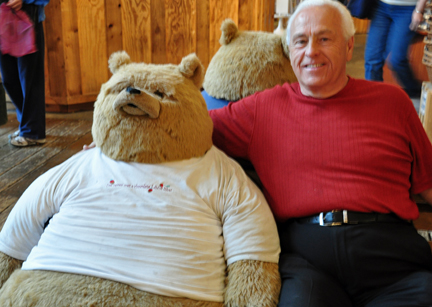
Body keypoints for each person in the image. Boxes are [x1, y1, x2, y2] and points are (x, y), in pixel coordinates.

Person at [209, 0, 432, 306]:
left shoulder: (393, 103)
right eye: (300, 41)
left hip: (392, 262)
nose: (311, 51)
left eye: (324, 39)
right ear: (290, 51)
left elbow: (428, 184)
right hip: (307, 262)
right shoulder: (262, 109)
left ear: (349, 46)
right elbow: (191, 125)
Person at [0, 0, 49, 147]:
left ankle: (33, 132)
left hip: (27, 17)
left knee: (30, 78)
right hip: (4, 18)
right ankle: (27, 126)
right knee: (9, 78)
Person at [364, 0, 428, 98]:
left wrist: (419, 10)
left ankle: (416, 92)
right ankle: (372, 98)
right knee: (372, 59)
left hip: (408, 10)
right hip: (380, 7)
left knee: (397, 60)